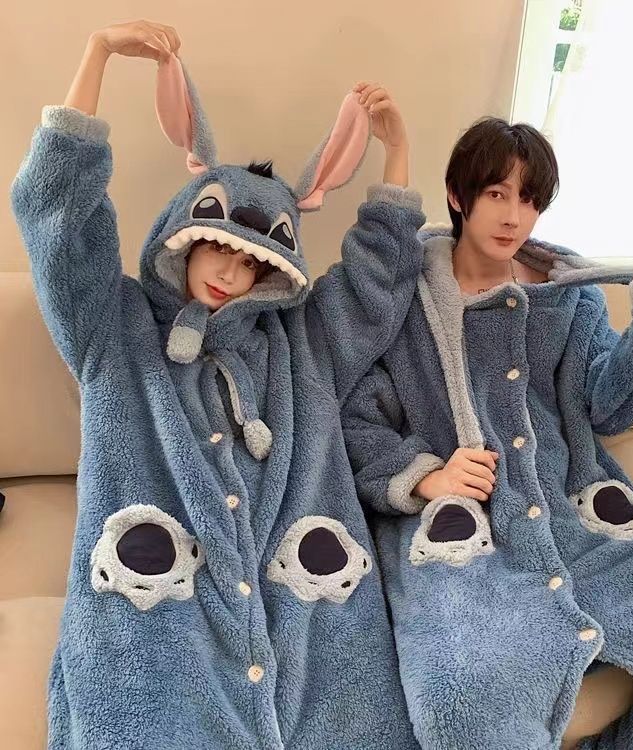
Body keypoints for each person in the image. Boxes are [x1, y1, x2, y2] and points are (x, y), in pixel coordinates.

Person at [11, 19, 425, 749]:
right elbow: (59, 218)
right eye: (220, 250)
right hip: (160, 614)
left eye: (255, 265)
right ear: (186, 237)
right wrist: (97, 54)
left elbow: (375, 286)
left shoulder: (300, 347)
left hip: (308, 614)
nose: (232, 275)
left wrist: (397, 155)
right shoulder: (112, 325)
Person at [342, 116, 633, 748]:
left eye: (529, 200)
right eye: (497, 193)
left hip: (576, 511)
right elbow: (358, 418)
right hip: (469, 534)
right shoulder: (404, 300)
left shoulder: (571, 295)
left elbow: (607, 403)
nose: (514, 217)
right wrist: (427, 477)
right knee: (461, 702)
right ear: (457, 195)